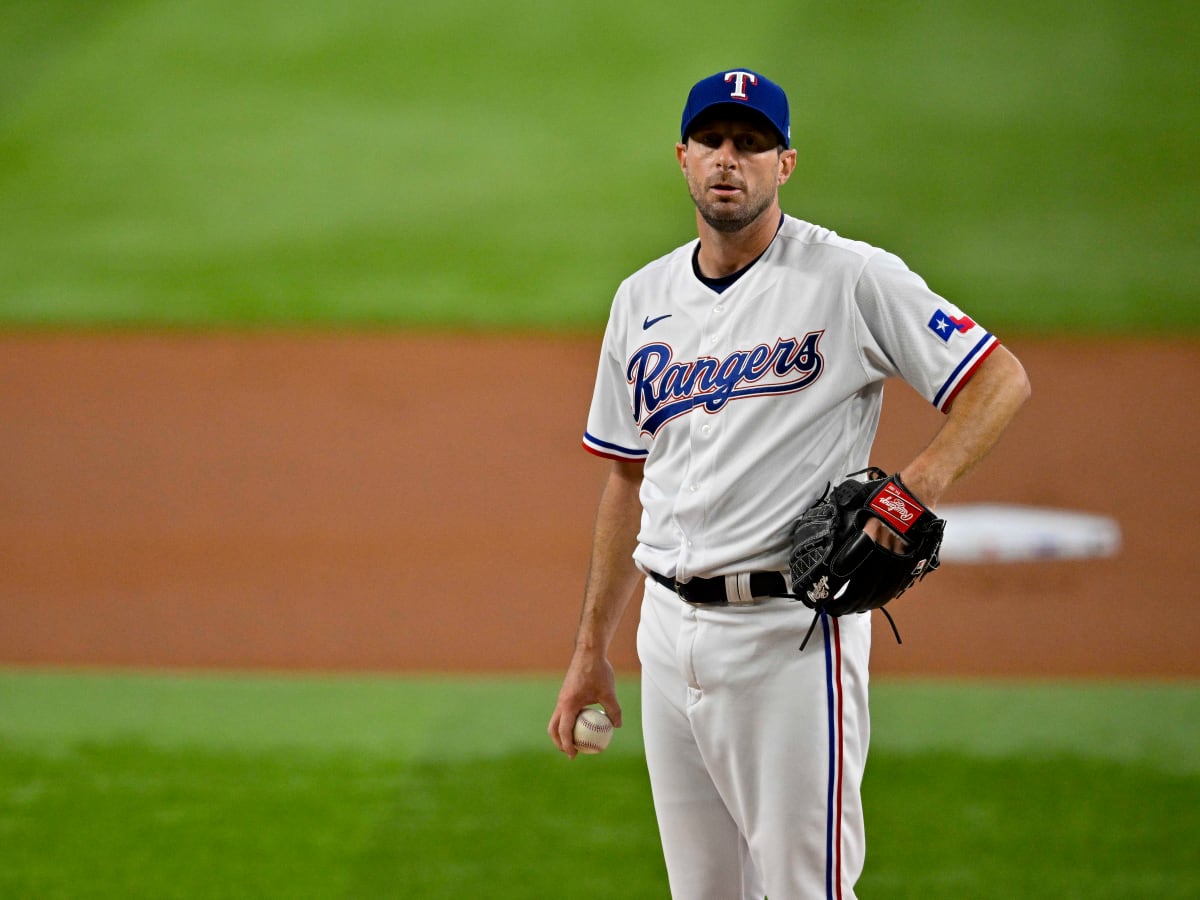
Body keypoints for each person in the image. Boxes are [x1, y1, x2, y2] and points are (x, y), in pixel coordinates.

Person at [548, 67, 1030, 899]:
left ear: (786, 164)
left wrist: (914, 485)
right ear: (683, 157)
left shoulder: (849, 277)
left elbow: (1000, 380)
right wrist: (591, 647)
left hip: (791, 638)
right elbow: (628, 482)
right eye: (713, 142)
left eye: (751, 144)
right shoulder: (641, 300)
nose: (728, 160)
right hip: (666, 637)